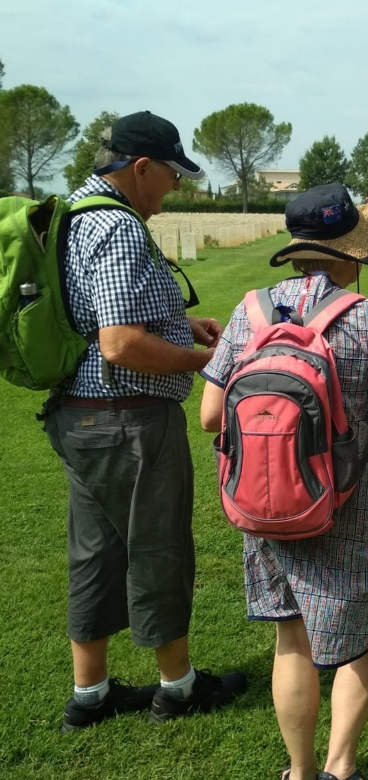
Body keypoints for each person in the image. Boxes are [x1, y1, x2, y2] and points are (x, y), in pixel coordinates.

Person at [200, 183, 368, 780]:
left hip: (270, 503)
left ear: (296, 251)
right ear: (349, 254)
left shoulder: (251, 311)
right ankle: (340, 766)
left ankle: (298, 772)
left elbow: (209, 416)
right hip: (352, 506)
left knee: (291, 637)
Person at [42, 110, 246, 733]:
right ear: (140, 167)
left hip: (81, 417)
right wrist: (205, 358)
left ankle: (91, 691)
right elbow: (121, 344)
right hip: (128, 419)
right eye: (171, 174)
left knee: (94, 551)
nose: (175, 187)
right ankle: (178, 687)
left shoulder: (75, 216)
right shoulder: (120, 229)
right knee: (157, 547)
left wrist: (181, 323)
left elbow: (98, 309)